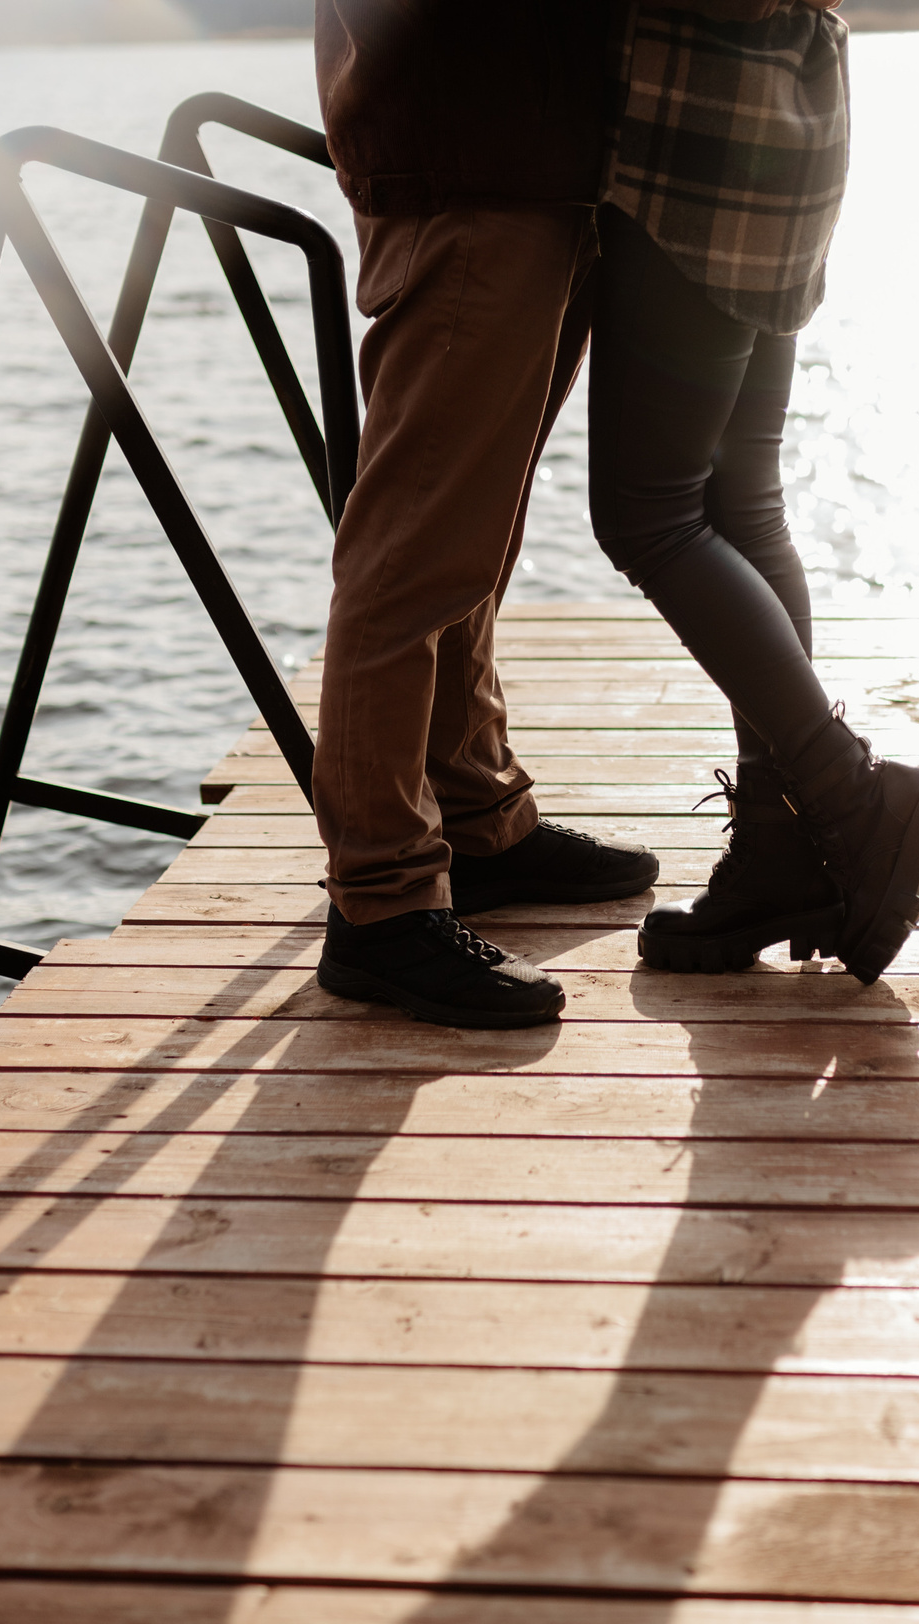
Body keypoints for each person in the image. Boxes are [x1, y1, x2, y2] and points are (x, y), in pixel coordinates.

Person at [591, 0, 919, 985]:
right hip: (785, 108)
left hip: (700, 128)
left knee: (647, 513)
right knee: (740, 502)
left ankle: (853, 800)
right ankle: (778, 849)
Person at [307, 0, 660, 1030]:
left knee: (470, 542)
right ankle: (381, 899)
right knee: (411, 556)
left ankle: (477, 821)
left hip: (536, 165)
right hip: (469, 168)